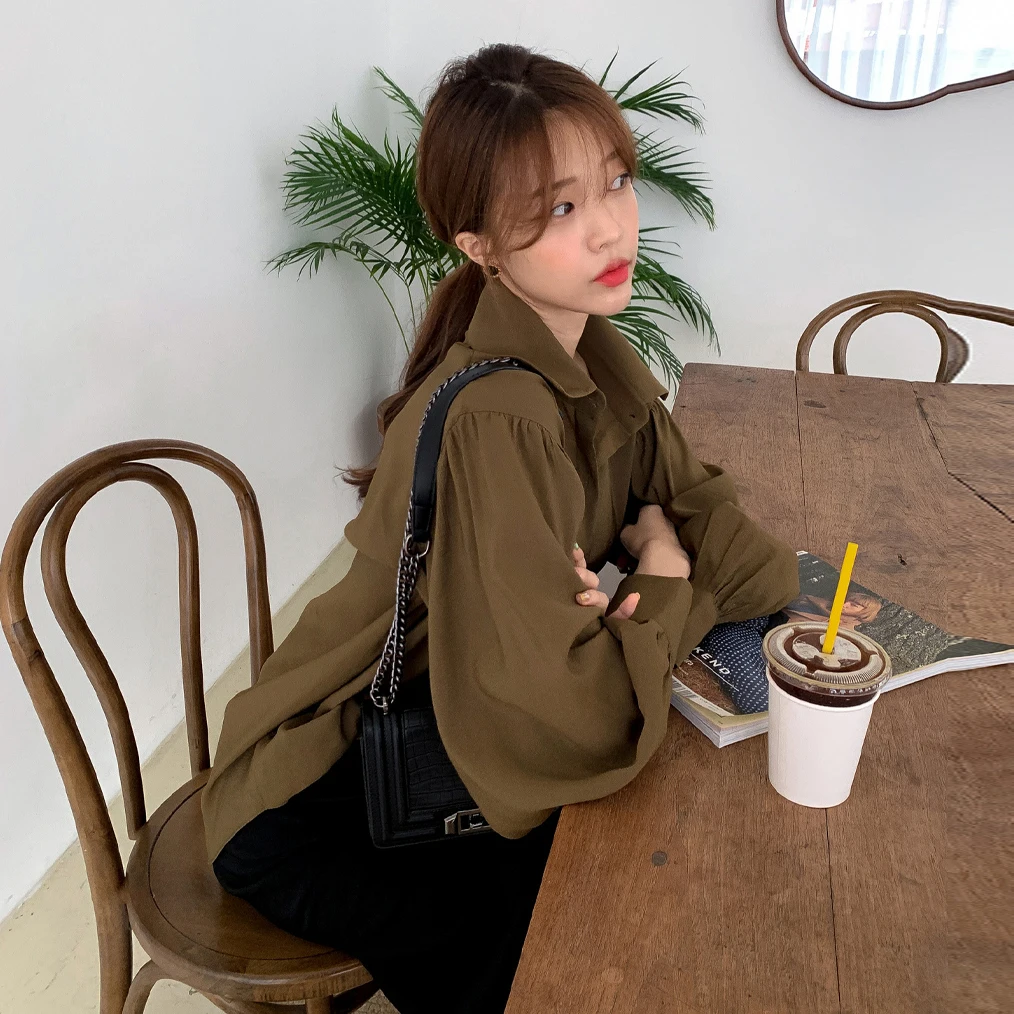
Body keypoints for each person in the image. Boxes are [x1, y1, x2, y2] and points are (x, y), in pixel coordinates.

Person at [201, 42, 800, 1013]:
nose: (609, 226)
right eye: (560, 208)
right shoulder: (498, 419)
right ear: (479, 244)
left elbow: (751, 558)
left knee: (641, 889)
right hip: (320, 800)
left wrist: (639, 607)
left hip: (456, 735)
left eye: (616, 181)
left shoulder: (598, 359)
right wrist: (662, 569)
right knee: (580, 947)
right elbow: (577, 713)